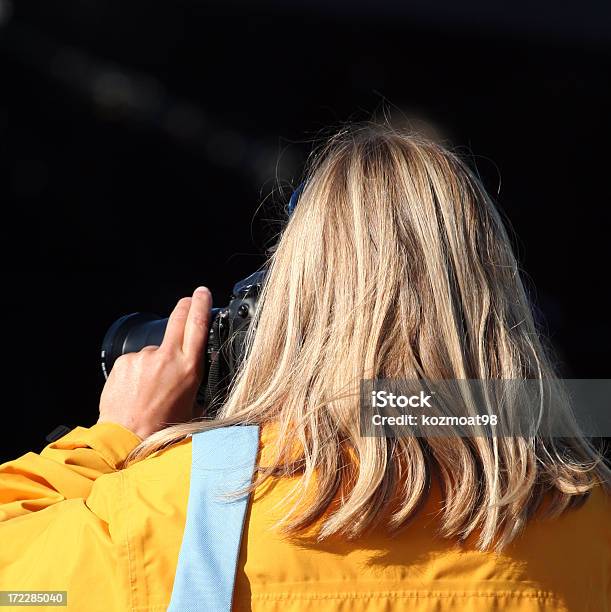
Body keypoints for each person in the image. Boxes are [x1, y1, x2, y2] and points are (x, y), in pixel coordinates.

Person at [1, 124, 609, 612]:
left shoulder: (169, 516)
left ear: (284, 311)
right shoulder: (592, 529)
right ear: (502, 310)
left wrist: (116, 438)